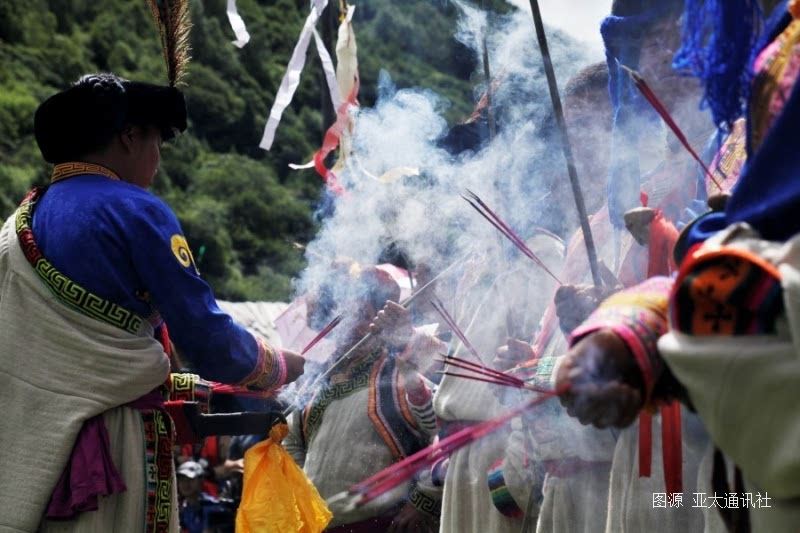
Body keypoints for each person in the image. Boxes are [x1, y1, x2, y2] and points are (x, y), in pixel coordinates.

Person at [0, 73, 305, 532]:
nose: (158, 158)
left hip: (30, 443)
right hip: (113, 445)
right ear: (129, 136)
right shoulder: (138, 210)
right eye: (157, 140)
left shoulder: (20, 220)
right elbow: (207, 342)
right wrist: (281, 366)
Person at [557, 1, 800, 530]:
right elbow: (759, 236)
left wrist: (647, 308)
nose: (660, 57)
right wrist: (627, 325)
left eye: (671, 34)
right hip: (739, 459)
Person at [283, 265, 443, 532]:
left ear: (378, 320)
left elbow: (444, 433)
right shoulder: (314, 382)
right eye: (337, 314)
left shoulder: (398, 375)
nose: (345, 324)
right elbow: (292, 443)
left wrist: (423, 499)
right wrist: (305, 495)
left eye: (359, 313)